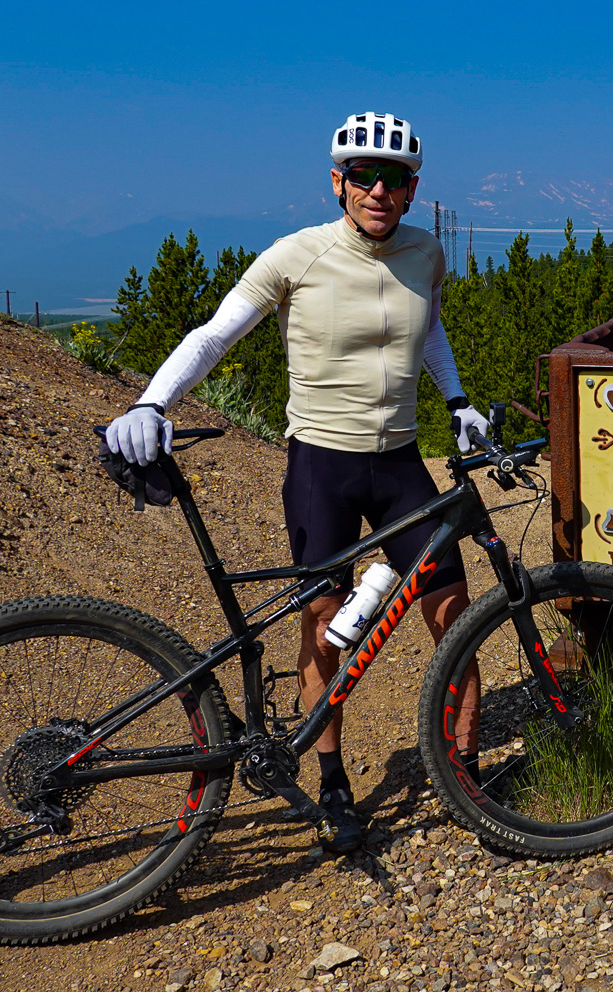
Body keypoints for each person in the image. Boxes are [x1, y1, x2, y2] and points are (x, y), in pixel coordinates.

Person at [103, 111, 492, 852]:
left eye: (397, 178)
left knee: (456, 616)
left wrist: (459, 400)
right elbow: (215, 333)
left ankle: (469, 771)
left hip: (404, 461)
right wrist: (153, 401)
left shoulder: (425, 253)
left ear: (413, 190)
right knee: (321, 625)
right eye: (365, 176)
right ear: (338, 182)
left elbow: (428, 327)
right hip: (323, 465)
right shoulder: (297, 255)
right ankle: (333, 782)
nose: (380, 189)